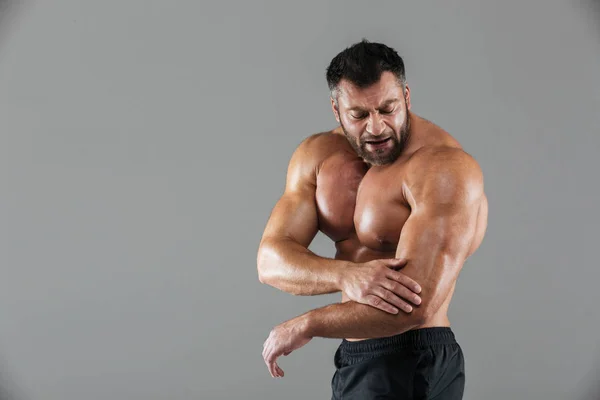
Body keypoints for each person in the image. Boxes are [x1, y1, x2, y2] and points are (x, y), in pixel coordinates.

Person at [257, 39, 488, 399]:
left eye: (387, 109)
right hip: (357, 356)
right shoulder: (316, 156)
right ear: (336, 110)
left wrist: (309, 323)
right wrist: (347, 275)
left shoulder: (442, 167)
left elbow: (415, 305)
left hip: (413, 355)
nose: (377, 127)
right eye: (360, 115)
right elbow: (270, 260)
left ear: (407, 98)